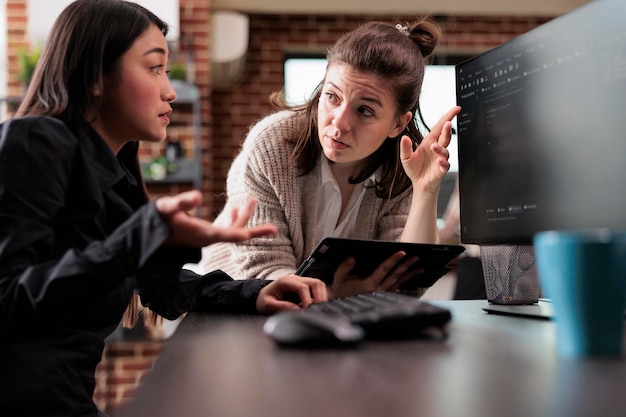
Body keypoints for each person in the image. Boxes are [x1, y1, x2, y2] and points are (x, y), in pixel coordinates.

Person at [0, 1, 327, 416]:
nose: (169, 91)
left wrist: (256, 293)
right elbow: (10, 297)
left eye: (166, 72)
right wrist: (145, 235)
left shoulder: (115, 173)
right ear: (96, 75)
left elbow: (162, 287)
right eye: (154, 68)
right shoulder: (35, 140)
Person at [201, 17, 461, 299]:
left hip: (328, 315)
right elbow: (266, 277)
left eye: (364, 111)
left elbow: (409, 282)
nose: (339, 123)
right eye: (333, 97)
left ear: (398, 125)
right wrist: (334, 293)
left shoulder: (404, 164)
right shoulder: (271, 145)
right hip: (228, 305)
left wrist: (424, 190)